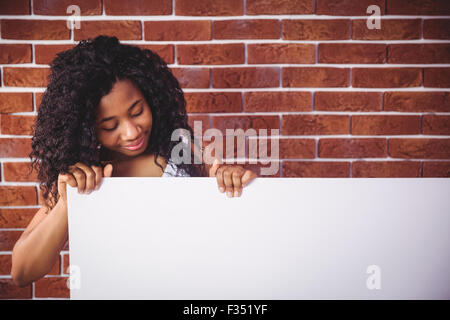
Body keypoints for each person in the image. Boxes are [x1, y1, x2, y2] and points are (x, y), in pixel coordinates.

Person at [11, 35, 257, 287]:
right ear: (86, 129)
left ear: (151, 97)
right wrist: (66, 205)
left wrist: (232, 178)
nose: (131, 132)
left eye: (137, 111)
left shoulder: (185, 148)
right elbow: (21, 272)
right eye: (110, 126)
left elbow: (234, 220)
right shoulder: (80, 174)